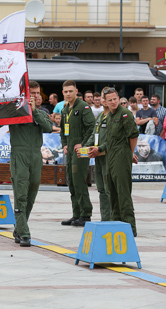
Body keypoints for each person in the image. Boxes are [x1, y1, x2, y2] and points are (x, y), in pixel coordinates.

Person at [5, 80, 52, 247]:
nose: (36, 96)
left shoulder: (42, 113)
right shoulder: (14, 112)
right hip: (19, 155)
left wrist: (34, 112)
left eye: (38, 93)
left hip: (36, 156)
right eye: (32, 94)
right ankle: (25, 233)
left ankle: (19, 227)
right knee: (21, 194)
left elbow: (48, 127)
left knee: (31, 194)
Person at [103, 88, 139, 237]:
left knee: (123, 192)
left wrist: (130, 154)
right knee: (112, 191)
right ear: (105, 102)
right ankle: (116, 221)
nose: (113, 102)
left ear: (118, 98)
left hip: (122, 157)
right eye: (110, 100)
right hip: (111, 157)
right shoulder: (109, 116)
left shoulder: (125, 114)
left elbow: (133, 135)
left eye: (115, 99)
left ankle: (130, 226)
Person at [60, 80, 95, 227]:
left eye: (70, 91)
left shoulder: (83, 107)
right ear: (63, 92)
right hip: (71, 150)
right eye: (66, 91)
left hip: (81, 151)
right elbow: (63, 130)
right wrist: (65, 144)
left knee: (79, 181)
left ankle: (85, 214)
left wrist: (84, 144)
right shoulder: (65, 109)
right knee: (72, 182)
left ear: (76, 91)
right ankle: (76, 214)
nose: (68, 94)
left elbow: (92, 127)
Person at [81, 87, 112, 222]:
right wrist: (85, 147)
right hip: (99, 158)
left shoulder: (113, 116)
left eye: (108, 99)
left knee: (109, 189)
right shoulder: (100, 116)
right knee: (101, 189)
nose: (105, 101)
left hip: (108, 157)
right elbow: (94, 134)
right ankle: (105, 218)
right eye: (104, 98)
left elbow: (112, 139)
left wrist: (100, 148)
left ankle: (111, 218)